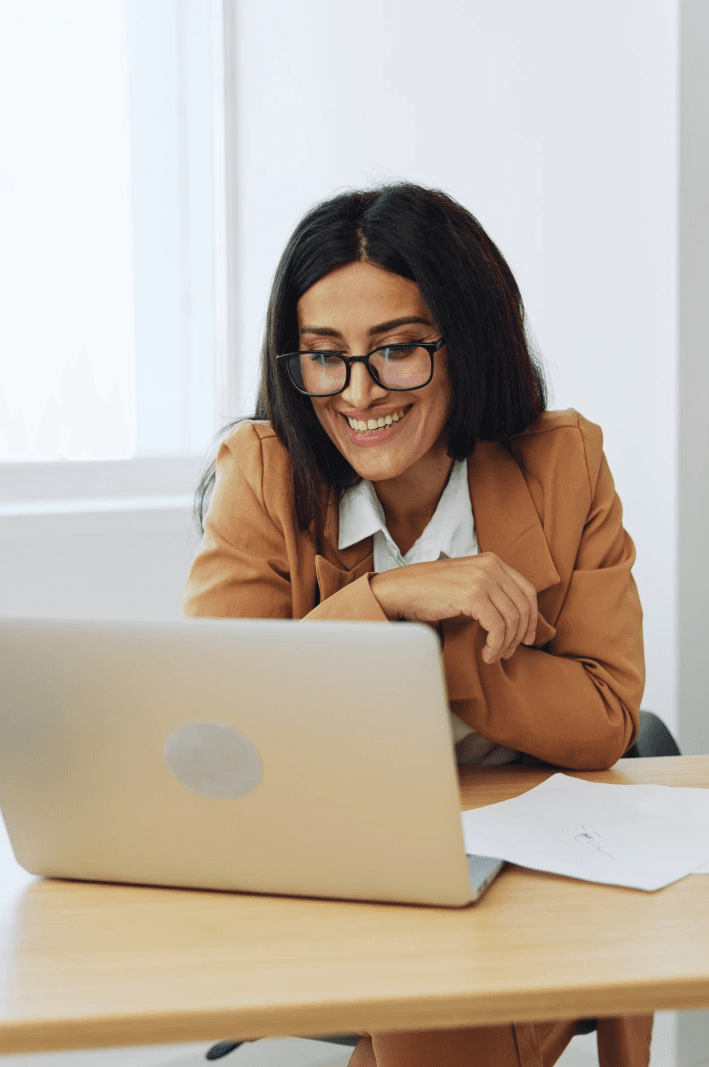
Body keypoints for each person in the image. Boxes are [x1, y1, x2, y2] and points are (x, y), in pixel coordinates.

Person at [182, 182, 651, 1067]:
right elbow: (219, 715)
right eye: (325, 356)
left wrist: (440, 649)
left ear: (466, 343)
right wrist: (394, 600)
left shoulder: (565, 463)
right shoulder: (260, 470)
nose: (358, 392)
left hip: (524, 851)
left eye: (396, 350)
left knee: (445, 966)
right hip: (332, 851)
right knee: (430, 952)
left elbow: (604, 719)